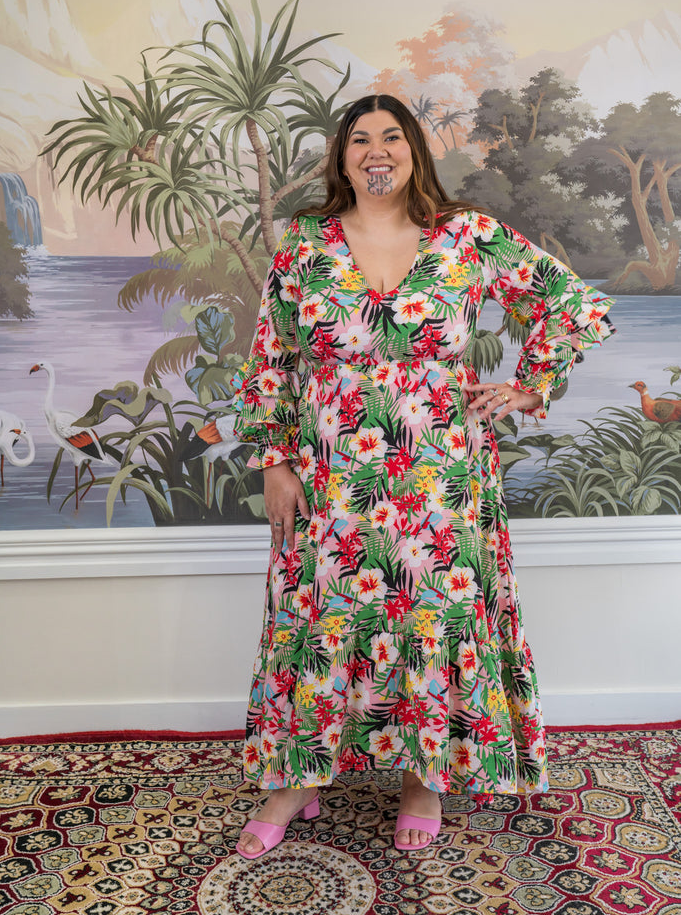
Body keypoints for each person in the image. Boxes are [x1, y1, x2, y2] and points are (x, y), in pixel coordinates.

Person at [231, 94, 614, 858]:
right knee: (320, 615)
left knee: (433, 613)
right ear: (341, 158)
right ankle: (298, 777)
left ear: (413, 151)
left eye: (392, 137)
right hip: (331, 472)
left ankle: (423, 778)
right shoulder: (305, 242)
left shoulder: (465, 234)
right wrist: (274, 459)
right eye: (360, 139)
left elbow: (572, 304)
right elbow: (270, 353)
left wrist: (529, 386)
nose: (376, 150)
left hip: (442, 475)